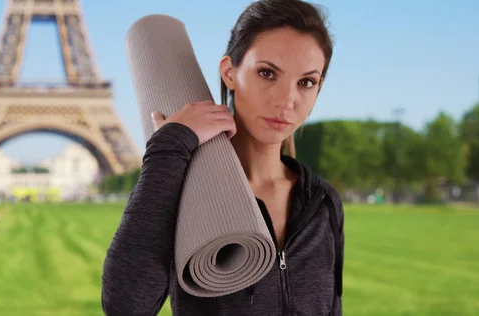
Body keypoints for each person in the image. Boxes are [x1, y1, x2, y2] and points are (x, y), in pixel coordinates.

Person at [102, 0, 344, 315]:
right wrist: (170, 146)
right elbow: (125, 307)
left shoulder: (323, 201)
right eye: (267, 73)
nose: (287, 101)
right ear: (230, 72)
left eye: (306, 82)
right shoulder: (185, 186)